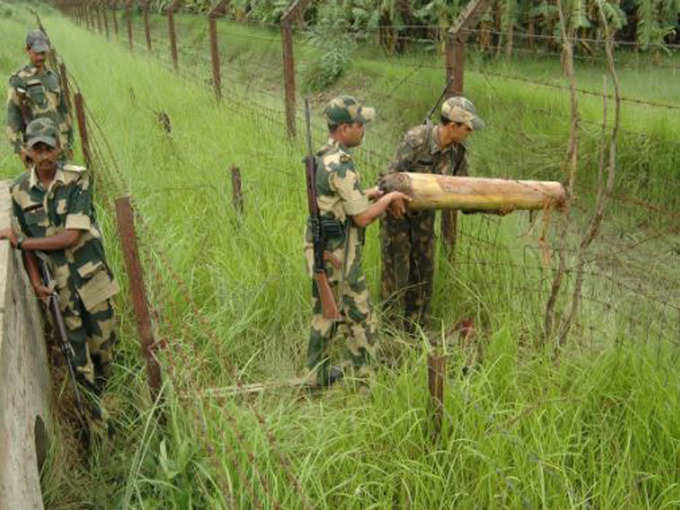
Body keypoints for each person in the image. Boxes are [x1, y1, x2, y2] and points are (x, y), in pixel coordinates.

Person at [0, 117, 118, 396]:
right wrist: (35, 281)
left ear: (59, 148)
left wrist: (22, 243)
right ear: (27, 151)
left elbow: (71, 237)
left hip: (91, 277)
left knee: (105, 347)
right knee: (76, 356)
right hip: (59, 288)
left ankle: (114, 398)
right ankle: (95, 418)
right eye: (37, 149)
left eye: (48, 149)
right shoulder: (18, 190)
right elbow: (25, 240)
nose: (44, 156)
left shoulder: (77, 179)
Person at [305, 95, 411, 387]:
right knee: (361, 317)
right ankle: (366, 380)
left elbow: (340, 202)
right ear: (342, 128)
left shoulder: (323, 156)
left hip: (323, 252)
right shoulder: (340, 165)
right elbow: (361, 218)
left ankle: (316, 374)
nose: (363, 128)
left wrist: (369, 193)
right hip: (340, 256)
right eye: (358, 124)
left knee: (325, 316)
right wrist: (389, 197)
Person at [380, 96, 484, 332]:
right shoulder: (416, 139)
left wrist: (493, 207)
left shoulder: (457, 153)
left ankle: (416, 333)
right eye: (467, 128)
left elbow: (463, 195)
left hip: (425, 224)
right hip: (397, 221)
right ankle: (388, 333)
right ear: (452, 126)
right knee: (395, 279)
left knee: (423, 279)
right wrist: (394, 198)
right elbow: (387, 178)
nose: (470, 132)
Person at [6, 29, 73, 164]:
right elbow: (12, 119)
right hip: (36, 149)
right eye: (36, 53)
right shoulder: (19, 80)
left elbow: (64, 111)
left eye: (43, 53)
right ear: (28, 50)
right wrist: (20, 149)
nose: (40, 57)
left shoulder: (54, 77)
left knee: (62, 183)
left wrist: (69, 143)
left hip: (58, 147)